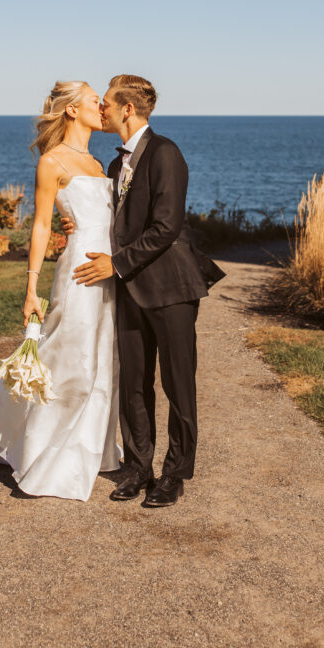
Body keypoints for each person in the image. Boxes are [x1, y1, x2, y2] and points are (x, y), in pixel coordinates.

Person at [0, 81, 121, 501]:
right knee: (69, 355)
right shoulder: (51, 162)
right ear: (71, 111)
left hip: (111, 271)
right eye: (94, 102)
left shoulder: (101, 163)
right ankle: (46, 453)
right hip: (79, 269)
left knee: (103, 359)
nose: (103, 107)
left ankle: (91, 450)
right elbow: (42, 224)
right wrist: (31, 288)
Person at [68, 75, 225, 507]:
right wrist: (76, 227)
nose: (101, 110)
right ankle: (138, 466)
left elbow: (166, 226)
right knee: (133, 383)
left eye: (107, 104)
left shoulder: (165, 153)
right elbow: (112, 221)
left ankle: (174, 474)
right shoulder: (117, 165)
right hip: (129, 292)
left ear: (127, 110)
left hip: (171, 289)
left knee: (178, 384)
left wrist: (115, 264)